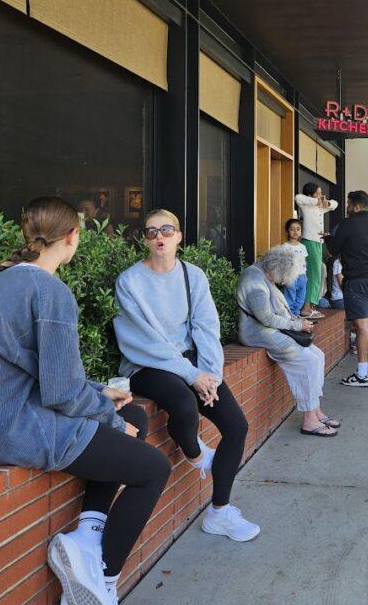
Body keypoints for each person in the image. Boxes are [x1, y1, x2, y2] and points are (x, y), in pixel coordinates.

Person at [0, 197, 170, 605]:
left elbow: (34, 367)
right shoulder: (49, 291)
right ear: (72, 236)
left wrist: (101, 392)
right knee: (153, 467)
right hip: (9, 427)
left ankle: (86, 536)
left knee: (132, 409)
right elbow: (62, 393)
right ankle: (102, 579)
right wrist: (113, 421)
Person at [113, 210, 258, 543]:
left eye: (166, 229)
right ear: (144, 240)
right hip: (146, 365)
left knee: (237, 427)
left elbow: (206, 327)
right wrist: (191, 375)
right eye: (151, 232)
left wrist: (210, 375)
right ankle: (195, 454)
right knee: (182, 404)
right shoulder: (130, 282)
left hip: (191, 362)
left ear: (179, 236)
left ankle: (220, 512)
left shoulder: (193, 276)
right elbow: (144, 341)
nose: (159, 236)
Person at [237, 246, 340, 437]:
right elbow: (266, 318)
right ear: (276, 269)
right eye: (282, 279)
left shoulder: (263, 271)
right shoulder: (254, 280)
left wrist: (296, 322)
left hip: (272, 330)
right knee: (309, 361)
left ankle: (315, 410)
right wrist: (297, 326)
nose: (282, 283)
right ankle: (309, 420)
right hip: (258, 333)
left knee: (318, 355)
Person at [326, 190, 368, 387]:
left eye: (348, 204)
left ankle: (362, 374)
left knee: (362, 326)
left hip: (357, 281)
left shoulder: (347, 225)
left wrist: (328, 238)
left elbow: (333, 250)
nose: (347, 208)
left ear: (355, 206)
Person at [295, 183, 338, 320]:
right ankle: (306, 308)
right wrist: (316, 201)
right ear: (311, 194)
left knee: (316, 274)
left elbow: (335, 204)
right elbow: (298, 198)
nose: (320, 196)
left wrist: (327, 203)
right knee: (314, 275)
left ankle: (309, 305)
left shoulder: (319, 207)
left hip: (318, 242)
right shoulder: (307, 205)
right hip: (309, 241)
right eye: (318, 193)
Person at [280, 219, 310, 317]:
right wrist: (284, 277)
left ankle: (296, 312)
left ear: (301, 231)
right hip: (290, 276)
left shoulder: (302, 247)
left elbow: (304, 261)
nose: (295, 231)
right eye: (292, 229)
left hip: (302, 276)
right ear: (287, 231)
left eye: (298, 229)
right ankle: (290, 314)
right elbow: (282, 263)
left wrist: (305, 275)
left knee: (301, 297)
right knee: (290, 296)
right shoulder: (285, 247)